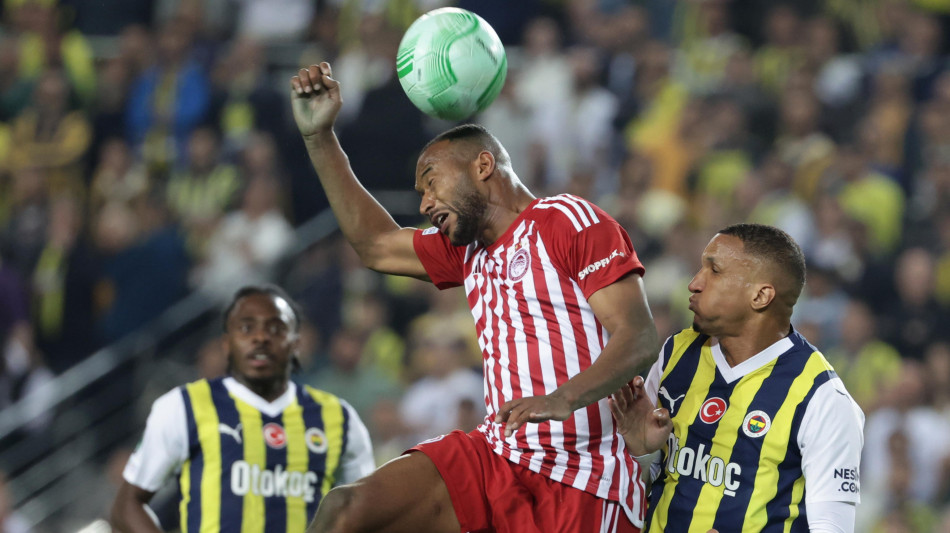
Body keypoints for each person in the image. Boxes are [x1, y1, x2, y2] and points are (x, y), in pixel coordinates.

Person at [290, 62, 661, 532]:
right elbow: (376, 245)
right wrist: (319, 138)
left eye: (432, 182)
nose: (424, 203)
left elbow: (638, 337)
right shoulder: (464, 251)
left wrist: (564, 397)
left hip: (583, 475)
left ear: (483, 166)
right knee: (347, 510)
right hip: (496, 456)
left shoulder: (566, 220)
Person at [610, 223, 865, 532]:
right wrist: (640, 452)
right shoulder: (676, 353)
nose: (694, 283)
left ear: (760, 295)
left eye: (714, 271)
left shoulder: (821, 397)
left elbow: (832, 527)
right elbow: (640, 483)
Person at [110, 284, 375, 533]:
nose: (260, 338)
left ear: (296, 344)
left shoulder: (339, 418)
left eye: (275, 329)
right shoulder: (183, 406)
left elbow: (369, 511)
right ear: (227, 344)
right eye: (247, 328)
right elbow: (127, 506)